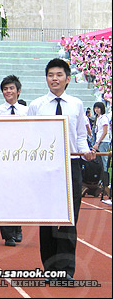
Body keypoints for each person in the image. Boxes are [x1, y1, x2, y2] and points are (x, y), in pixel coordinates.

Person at [27, 58, 96, 281]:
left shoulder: (76, 104)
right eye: (50, 75)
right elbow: (29, 136)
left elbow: (81, 136)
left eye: (58, 75)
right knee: (47, 219)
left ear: (67, 79)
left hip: (70, 165)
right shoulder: (37, 105)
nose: (54, 79)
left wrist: (86, 152)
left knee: (68, 219)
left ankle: (66, 270)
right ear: (46, 78)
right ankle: (49, 270)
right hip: (45, 167)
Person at [0, 75, 28, 247]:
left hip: (21, 158)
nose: (8, 91)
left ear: (18, 91)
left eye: (11, 88)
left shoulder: (26, 111)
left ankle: (18, 227)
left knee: (19, 195)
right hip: (3, 158)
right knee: (3, 196)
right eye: (5, 89)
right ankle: (8, 235)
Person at [92, 102, 110, 173]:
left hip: (103, 141)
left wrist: (98, 142)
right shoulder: (98, 118)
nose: (96, 110)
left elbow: (104, 132)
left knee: (103, 159)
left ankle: (104, 177)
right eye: (95, 108)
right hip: (99, 140)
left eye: (98, 108)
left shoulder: (104, 118)